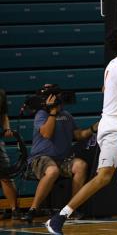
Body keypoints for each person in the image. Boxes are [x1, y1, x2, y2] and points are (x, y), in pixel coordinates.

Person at [46, 28, 117, 234]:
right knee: (104, 176)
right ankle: (59, 217)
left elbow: (106, 89)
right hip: (112, 127)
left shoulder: (115, 66)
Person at [24, 88, 98, 223]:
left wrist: (93, 128)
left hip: (62, 159)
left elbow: (78, 135)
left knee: (81, 166)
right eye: (56, 98)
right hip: (41, 158)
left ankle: (70, 210)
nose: (59, 101)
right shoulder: (41, 114)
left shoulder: (66, 115)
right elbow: (46, 134)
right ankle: (33, 209)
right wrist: (52, 112)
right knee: (53, 171)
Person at [0, 89, 19, 219]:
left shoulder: (1, 94)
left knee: (5, 176)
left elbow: (3, 115)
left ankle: (15, 209)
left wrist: (7, 128)